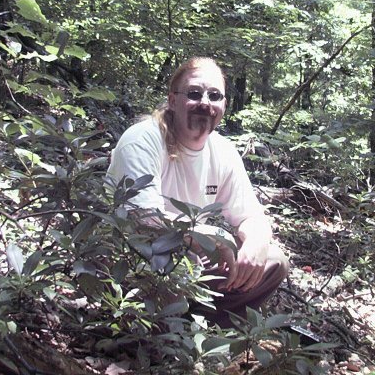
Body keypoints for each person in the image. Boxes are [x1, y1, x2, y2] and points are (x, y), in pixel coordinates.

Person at [107, 57, 289, 328]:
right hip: (131, 257)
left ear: (224, 105)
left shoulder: (223, 151)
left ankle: (214, 331)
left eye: (215, 95)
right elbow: (141, 219)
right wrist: (213, 237)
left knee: (274, 261)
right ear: (172, 100)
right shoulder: (142, 140)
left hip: (189, 256)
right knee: (179, 263)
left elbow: (252, 217)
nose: (205, 102)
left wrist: (255, 243)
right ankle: (154, 335)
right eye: (194, 93)